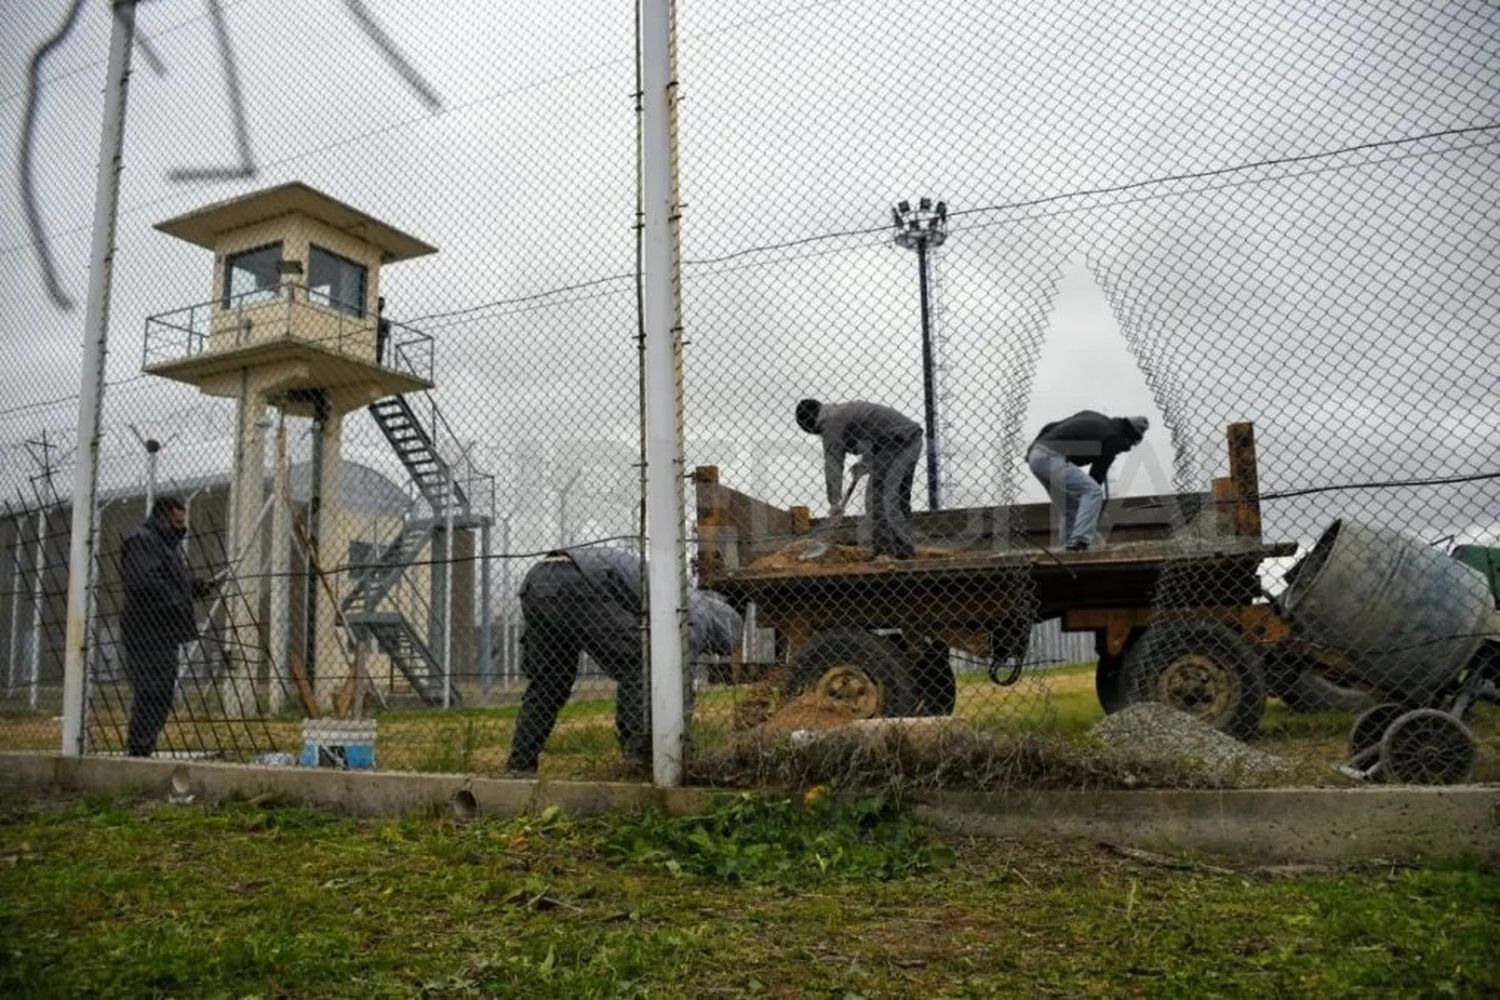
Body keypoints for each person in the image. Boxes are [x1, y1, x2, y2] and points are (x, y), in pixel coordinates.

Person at [505, 547, 742, 775]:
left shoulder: (686, 595)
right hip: (579, 581)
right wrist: (682, 739)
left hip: (538, 580)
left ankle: (520, 764)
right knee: (641, 662)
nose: (707, 653)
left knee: (549, 684)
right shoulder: (696, 615)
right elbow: (679, 679)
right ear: (720, 633)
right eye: (715, 649)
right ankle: (638, 758)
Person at [119, 496, 216, 756]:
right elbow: (145, 584)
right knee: (151, 691)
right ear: (162, 518)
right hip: (147, 632)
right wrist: (178, 598)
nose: (181, 529)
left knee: (161, 693)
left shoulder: (164, 546)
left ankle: (143, 747)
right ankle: (138, 750)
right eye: (177, 522)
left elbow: (169, 580)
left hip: (163, 632)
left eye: (183, 523)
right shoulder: (142, 541)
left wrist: (193, 587)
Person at [796, 398, 923, 560]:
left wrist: (834, 501)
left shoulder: (830, 423)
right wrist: (864, 464)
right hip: (910, 438)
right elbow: (873, 437)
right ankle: (903, 552)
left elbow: (833, 463)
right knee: (897, 499)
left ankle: (886, 553)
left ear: (810, 426)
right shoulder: (841, 412)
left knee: (877, 496)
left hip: (895, 440)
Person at [1026, 411, 1149, 551]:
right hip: (1051, 457)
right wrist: (1094, 512)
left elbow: (1053, 426)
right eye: (1131, 444)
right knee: (1093, 492)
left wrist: (1032, 450)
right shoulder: (1114, 438)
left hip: (1037, 456)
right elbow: (1097, 476)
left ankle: (1066, 551)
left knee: (1071, 508)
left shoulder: (1093, 417)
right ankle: (1079, 543)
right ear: (1129, 435)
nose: (1127, 448)